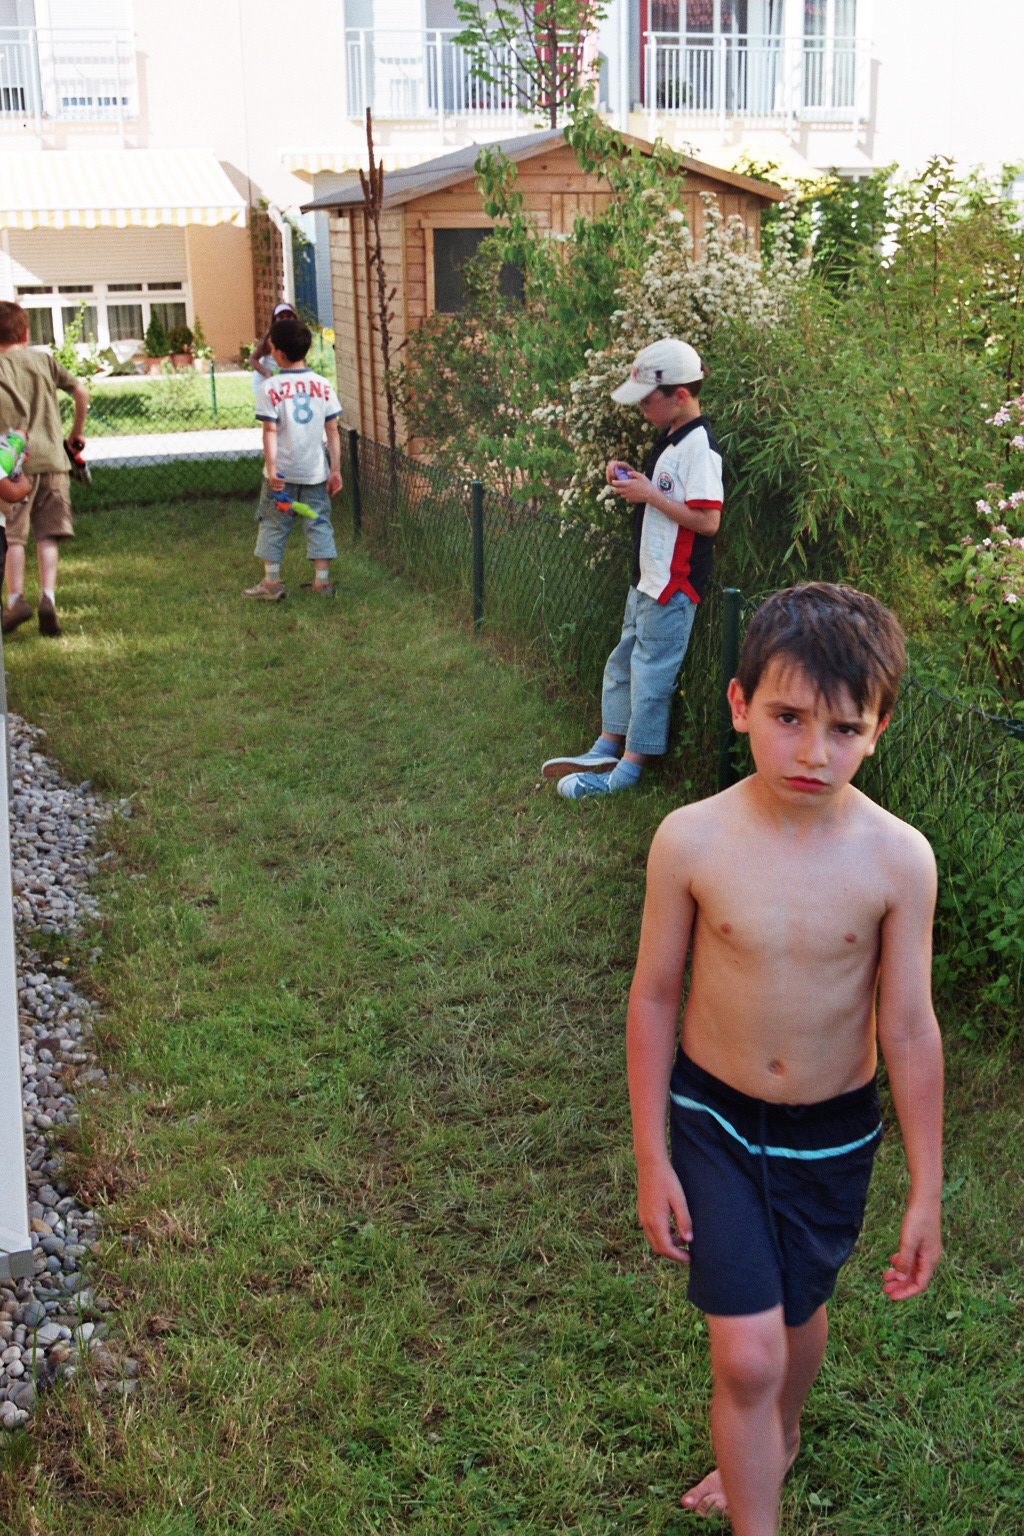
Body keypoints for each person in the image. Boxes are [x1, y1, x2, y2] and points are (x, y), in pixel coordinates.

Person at [626, 583, 943, 1536]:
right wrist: (651, 1156)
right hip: (713, 1122)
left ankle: (779, 1432)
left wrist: (926, 1188)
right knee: (749, 1354)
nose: (813, 752)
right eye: (788, 718)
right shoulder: (691, 839)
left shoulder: (899, 860)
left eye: (844, 729)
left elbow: (909, 1027)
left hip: (832, 1138)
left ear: (879, 729)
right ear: (740, 705)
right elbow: (654, 997)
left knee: (798, 1317)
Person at [542, 337, 723, 799]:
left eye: (647, 400)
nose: (642, 409)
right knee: (623, 662)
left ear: (679, 395)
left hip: (673, 587)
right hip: (646, 579)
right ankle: (607, 746)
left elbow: (708, 521)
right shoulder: (671, 436)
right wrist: (631, 477)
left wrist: (650, 496)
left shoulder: (700, 447)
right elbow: (662, 491)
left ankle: (628, 769)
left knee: (651, 676)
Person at [0, 302, 89, 637]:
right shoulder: (44, 361)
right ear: (25, 333)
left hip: (13, 466)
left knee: (13, 536)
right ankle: (48, 598)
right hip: (53, 460)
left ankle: (15, 600)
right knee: (47, 533)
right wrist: (76, 433)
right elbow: (80, 391)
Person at [244, 315, 342, 601]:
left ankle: (272, 583)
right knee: (318, 521)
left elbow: (270, 431)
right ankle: (322, 582)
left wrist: (272, 469)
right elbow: (333, 430)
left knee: (274, 523)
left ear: (278, 353)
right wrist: (335, 469)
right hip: (315, 473)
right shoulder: (323, 385)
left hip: (281, 477)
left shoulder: (270, 387)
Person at [250, 301, 299, 403]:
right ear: (275, 320)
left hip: (281, 376)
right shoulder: (269, 340)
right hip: (265, 380)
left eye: (289, 316)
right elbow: (253, 359)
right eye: (281, 317)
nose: (285, 320)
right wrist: (266, 373)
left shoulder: (297, 339)